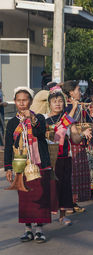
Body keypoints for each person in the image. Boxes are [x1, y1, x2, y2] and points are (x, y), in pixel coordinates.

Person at [4, 87, 52, 243]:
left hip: (39, 162)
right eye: (19, 101)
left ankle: (39, 229)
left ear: (30, 102)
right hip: (21, 164)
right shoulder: (12, 123)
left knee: (40, 196)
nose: (22, 103)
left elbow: (39, 134)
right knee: (25, 197)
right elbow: (9, 145)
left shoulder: (39, 118)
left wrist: (31, 119)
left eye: (25, 100)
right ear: (15, 102)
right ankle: (28, 229)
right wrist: (8, 167)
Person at [45, 88, 89, 225]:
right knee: (49, 187)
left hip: (65, 158)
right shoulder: (44, 120)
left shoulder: (69, 120)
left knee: (64, 186)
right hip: (49, 159)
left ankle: (62, 215)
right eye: (54, 101)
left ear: (64, 104)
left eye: (60, 101)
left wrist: (83, 134)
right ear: (49, 104)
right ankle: (45, 215)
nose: (57, 104)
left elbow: (75, 139)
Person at [62, 80, 93, 208]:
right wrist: (74, 107)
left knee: (78, 171)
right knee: (72, 173)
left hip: (79, 140)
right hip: (70, 142)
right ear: (71, 92)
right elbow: (66, 122)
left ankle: (73, 202)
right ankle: (69, 202)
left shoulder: (79, 105)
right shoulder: (66, 106)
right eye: (78, 89)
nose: (80, 92)